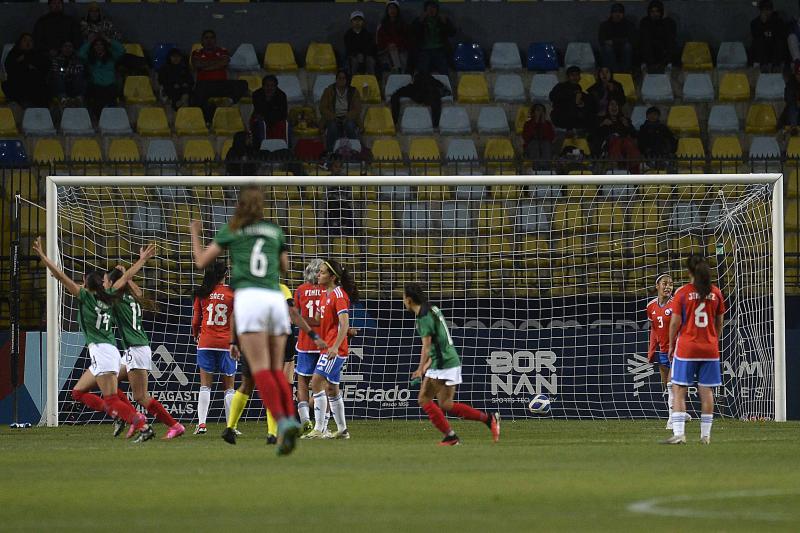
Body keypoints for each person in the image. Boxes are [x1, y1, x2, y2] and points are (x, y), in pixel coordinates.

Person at [190, 186, 301, 456]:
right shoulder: (275, 230)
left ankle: (284, 422)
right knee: (277, 369)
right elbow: (286, 267)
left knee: (259, 369)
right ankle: (286, 419)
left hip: (250, 299)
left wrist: (194, 233)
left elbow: (202, 261)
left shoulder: (233, 229)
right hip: (275, 298)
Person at [33, 237, 156, 442]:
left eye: (82, 282)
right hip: (111, 351)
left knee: (110, 399)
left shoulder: (86, 296)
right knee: (79, 392)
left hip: (101, 351)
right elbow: (126, 279)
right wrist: (141, 260)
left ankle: (141, 424)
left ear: (86, 285)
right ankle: (126, 417)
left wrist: (44, 258)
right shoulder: (108, 294)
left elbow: (61, 277)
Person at [222, 282, 326, 445]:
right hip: (271, 342)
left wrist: (233, 342)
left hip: (249, 341)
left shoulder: (247, 289)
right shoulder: (280, 288)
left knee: (246, 385)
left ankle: (230, 427)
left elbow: (235, 315)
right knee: (273, 385)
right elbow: (293, 313)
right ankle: (272, 433)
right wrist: (313, 334)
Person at [403, 284, 500, 446]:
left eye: (403, 298)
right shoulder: (432, 308)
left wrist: (421, 368)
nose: (403, 301)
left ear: (409, 300)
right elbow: (437, 341)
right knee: (445, 404)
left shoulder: (423, 319)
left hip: (442, 363)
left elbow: (426, 347)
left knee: (424, 399)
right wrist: (427, 365)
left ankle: (451, 436)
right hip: (450, 359)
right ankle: (489, 419)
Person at [107, 266, 186, 440]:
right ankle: (134, 417)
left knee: (141, 396)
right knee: (108, 381)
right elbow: (140, 292)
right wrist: (127, 278)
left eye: (107, 281)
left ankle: (174, 425)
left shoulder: (116, 299)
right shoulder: (131, 297)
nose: (105, 284)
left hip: (136, 349)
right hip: (133, 349)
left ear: (114, 283)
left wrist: (126, 274)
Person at [663, 255, 726, 445]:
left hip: (687, 347)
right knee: (706, 391)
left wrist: (672, 343)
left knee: (679, 388)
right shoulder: (715, 292)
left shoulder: (683, 293)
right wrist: (713, 339)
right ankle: (705, 436)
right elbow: (719, 321)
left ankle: (679, 434)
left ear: (689, 271)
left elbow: (675, 322)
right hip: (709, 348)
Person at [302, 259, 358, 440]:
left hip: (335, 349)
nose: (318, 274)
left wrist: (335, 346)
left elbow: (344, 322)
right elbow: (318, 320)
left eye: (323, 272)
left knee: (317, 381)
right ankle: (342, 430)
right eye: (318, 272)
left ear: (333, 277)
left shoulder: (338, 295)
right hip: (329, 347)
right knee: (333, 389)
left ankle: (319, 428)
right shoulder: (325, 295)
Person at [190, 260, 236, 436]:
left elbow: (195, 321)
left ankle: (201, 424)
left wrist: (196, 335)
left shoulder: (202, 293)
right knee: (229, 387)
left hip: (206, 342)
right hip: (226, 343)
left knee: (205, 386)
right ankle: (230, 426)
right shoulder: (232, 293)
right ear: (225, 275)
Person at [294, 259, 326, 435]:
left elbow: (296, 317)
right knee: (325, 384)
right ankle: (324, 424)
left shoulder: (300, 291)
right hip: (323, 342)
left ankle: (305, 420)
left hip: (305, 342)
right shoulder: (327, 291)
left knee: (302, 382)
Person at [190, 30, 249, 123]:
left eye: (212, 38)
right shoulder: (197, 52)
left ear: (215, 40)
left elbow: (224, 62)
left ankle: (229, 100)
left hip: (221, 84)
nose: (209, 40)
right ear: (202, 41)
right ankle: (207, 123)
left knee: (243, 83)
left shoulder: (222, 51)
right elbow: (197, 64)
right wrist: (217, 62)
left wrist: (206, 66)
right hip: (205, 85)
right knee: (197, 94)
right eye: (206, 38)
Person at [647, 274, 676, 429]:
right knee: (666, 385)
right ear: (657, 286)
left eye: (671, 284)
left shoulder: (676, 304)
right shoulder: (651, 306)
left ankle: (672, 420)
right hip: (663, 350)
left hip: (677, 349)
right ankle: (680, 412)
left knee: (672, 384)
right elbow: (654, 329)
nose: (668, 287)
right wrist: (651, 350)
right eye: (664, 283)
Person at [78, 35, 124, 120]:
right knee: (95, 98)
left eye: (101, 44)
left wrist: (109, 40)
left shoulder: (111, 57)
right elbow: (81, 53)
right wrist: (90, 41)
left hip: (110, 86)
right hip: (96, 87)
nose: (99, 47)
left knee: (112, 96)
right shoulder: (90, 58)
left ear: (104, 46)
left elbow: (121, 50)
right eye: (96, 45)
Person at [2, 33, 50, 108]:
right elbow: (9, 67)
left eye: (30, 41)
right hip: (18, 84)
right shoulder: (14, 53)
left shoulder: (37, 54)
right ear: (20, 42)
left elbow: (44, 67)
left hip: (35, 84)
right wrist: (19, 62)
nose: (27, 43)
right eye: (25, 40)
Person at [591, 99, 641, 172]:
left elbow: (635, 134)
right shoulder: (602, 120)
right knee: (617, 139)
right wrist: (602, 125)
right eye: (612, 104)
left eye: (616, 105)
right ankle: (620, 165)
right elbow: (593, 135)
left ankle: (620, 164)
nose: (614, 107)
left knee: (626, 141)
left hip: (624, 148)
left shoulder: (624, 120)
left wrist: (627, 126)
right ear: (608, 107)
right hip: (607, 147)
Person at [320, 69, 363, 151]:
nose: (341, 80)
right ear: (336, 80)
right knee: (332, 127)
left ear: (347, 80)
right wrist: (333, 116)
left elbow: (357, 109)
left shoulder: (353, 92)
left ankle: (354, 151)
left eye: (344, 78)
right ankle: (330, 152)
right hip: (332, 117)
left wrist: (347, 117)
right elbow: (323, 108)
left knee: (350, 126)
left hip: (348, 117)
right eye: (339, 78)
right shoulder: (329, 91)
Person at [411, 0, 455, 75]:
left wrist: (445, 23)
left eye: (434, 8)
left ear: (437, 10)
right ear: (426, 10)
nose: (431, 10)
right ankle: (423, 86)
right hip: (424, 50)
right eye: (429, 8)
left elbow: (452, 33)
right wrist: (419, 22)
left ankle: (446, 85)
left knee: (444, 72)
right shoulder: (420, 20)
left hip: (439, 49)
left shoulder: (442, 19)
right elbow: (413, 33)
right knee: (422, 72)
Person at [549, 65, 596, 132]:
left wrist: (582, 103)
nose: (575, 77)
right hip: (561, 116)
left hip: (575, 118)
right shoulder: (560, 86)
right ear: (568, 77)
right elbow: (552, 96)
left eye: (577, 75)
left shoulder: (579, 89)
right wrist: (571, 95)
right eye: (572, 75)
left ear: (579, 77)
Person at [638, 0, 677, 74]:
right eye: (652, 11)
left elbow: (670, 38)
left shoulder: (669, 22)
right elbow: (644, 40)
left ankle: (666, 64)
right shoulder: (645, 22)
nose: (655, 14)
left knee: (670, 44)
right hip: (649, 54)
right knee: (645, 43)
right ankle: (649, 66)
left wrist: (664, 21)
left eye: (657, 11)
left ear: (661, 12)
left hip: (664, 52)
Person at [250, 75, 289, 146]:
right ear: (263, 86)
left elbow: (283, 113)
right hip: (262, 118)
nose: (269, 88)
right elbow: (259, 111)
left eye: (272, 86)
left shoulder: (281, 95)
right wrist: (267, 100)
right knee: (258, 123)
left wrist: (269, 117)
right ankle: (258, 148)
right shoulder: (256, 94)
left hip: (276, 118)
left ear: (276, 87)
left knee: (283, 124)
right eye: (267, 86)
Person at [750, 0, 787, 72]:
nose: (766, 13)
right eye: (764, 10)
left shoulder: (778, 21)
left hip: (774, 49)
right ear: (760, 11)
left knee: (780, 42)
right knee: (759, 41)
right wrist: (762, 24)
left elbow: (781, 36)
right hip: (762, 50)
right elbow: (756, 36)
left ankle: (776, 66)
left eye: (768, 10)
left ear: (772, 10)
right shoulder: (754, 23)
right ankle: (763, 66)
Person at [598, 2, 636, 73]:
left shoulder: (629, 25)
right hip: (610, 49)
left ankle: (625, 71)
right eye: (615, 12)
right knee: (607, 48)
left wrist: (614, 42)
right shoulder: (605, 25)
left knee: (627, 46)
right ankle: (614, 72)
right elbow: (601, 40)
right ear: (611, 13)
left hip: (623, 48)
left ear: (623, 14)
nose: (617, 14)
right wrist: (622, 41)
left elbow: (632, 39)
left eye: (620, 12)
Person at [49, 40, 86, 106]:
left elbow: (79, 72)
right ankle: (63, 99)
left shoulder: (78, 60)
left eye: (70, 46)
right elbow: (56, 72)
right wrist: (68, 73)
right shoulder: (56, 60)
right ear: (61, 48)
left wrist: (64, 72)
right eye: (65, 46)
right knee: (57, 76)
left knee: (80, 76)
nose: (67, 49)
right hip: (61, 84)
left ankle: (78, 98)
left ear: (73, 49)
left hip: (74, 84)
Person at [377, 0, 410, 74]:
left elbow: (406, 40)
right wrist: (388, 47)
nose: (392, 10)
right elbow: (380, 42)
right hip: (385, 51)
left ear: (397, 10)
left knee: (400, 55)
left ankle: (399, 71)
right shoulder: (382, 26)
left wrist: (397, 46)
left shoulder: (403, 25)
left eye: (394, 8)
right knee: (393, 50)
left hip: (401, 50)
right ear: (387, 11)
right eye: (390, 8)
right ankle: (398, 70)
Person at [521, 103, 555, 170]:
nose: (540, 112)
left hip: (545, 146)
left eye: (542, 111)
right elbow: (526, 137)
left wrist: (543, 123)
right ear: (533, 112)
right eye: (538, 110)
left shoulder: (547, 124)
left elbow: (551, 138)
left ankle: (546, 168)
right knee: (535, 144)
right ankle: (536, 168)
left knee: (546, 144)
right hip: (531, 147)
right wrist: (535, 122)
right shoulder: (528, 124)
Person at [344, 11, 377, 75]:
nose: (357, 22)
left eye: (359, 20)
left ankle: (371, 79)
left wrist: (363, 55)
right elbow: (349, 49)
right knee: (354, 61)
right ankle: (352, 80)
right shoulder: (347, 35)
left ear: (363, 22)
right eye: (355, 20)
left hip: (366, 55)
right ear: (351, 22)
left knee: (370, 61)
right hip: (353, 56)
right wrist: (356, 54)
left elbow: (370, 48)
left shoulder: (367, 34)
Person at [782, 61, 800, 133]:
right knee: (793, 106)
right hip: (794, 112)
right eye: (798, 74)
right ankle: (793, 128)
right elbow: (788, 98)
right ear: (795, 74)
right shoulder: (791, 82)